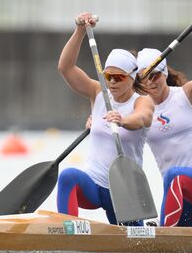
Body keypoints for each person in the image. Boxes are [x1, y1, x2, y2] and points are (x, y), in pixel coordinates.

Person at [57, 12, 155, 225]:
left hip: (122, 193)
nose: (111, 82)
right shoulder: (98, 92)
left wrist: (122, 120)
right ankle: (67, 232)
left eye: (118, 77)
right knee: (68, 176)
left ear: (131, 77)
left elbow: (142, 119)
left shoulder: (142, 101)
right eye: (108, 76)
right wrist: (80, 31)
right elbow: (66, 68)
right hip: (92, 185)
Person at [136, 8, 192, 227]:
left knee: (174, 175)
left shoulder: (188, 95)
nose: (151, 82)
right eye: (145, 78)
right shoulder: (140, 111)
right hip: (181, 196)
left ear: (164, 74)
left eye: (155, 75)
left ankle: (163, 231)